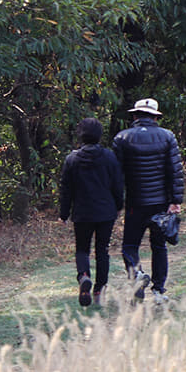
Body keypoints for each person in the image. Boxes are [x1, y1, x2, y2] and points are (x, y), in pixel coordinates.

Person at [113, 98, 184, 305]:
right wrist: (175, 200)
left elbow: (117, 176)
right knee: (159, 246)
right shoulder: (167, 137)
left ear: (135, 116)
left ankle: (136, 275)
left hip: (135, 203)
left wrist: (118, 203)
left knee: (129, 245)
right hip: (160, 202)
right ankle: (159, 291)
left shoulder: (122, 138)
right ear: (155, 117)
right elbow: (175, 171)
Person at [59, 118, 123, 307]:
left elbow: (66, 189)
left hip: (82, 212)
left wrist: (64, 213)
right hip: (105, 211)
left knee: (82, 249)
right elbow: (117, 185)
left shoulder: (72, 159)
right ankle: (99, 289)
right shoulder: (110, 157)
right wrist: (119, 205)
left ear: (81, 135)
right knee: (102, 250)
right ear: (99, 135)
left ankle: (84, 276)